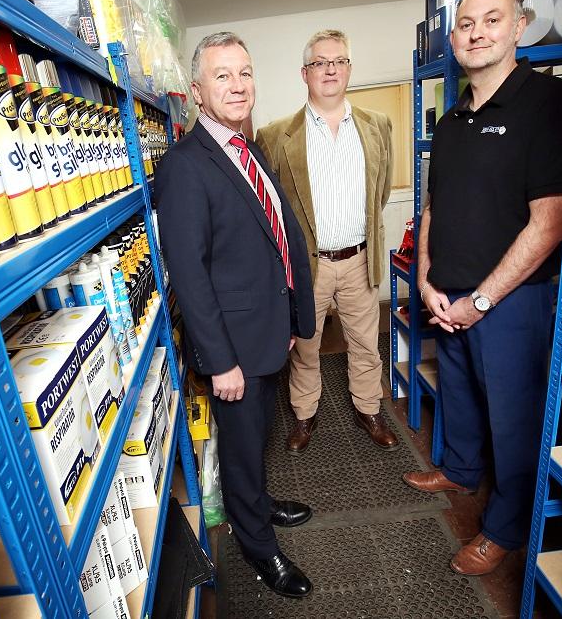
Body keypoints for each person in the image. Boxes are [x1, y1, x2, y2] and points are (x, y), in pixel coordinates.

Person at [401, 0, 562, 576]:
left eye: (492, 20)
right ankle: (461, 469)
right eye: (467, 24)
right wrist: (427, 280)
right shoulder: (451, 122)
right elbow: (431, 210)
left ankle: (504, 528)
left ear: (520, 26)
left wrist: (482, 298)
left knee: (515, 417)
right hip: (448, 293)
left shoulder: (546, 102)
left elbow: (549, 221)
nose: (477, 34)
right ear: (453, 39)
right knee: (463, 398)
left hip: (512, 302)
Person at [154, 32, 317, 598]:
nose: (238, 84)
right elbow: (191, 274)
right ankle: (259, 546)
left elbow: (275, 239)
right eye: (222, 75)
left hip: (267, 330)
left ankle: (258, 501)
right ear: (198, 92)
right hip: (234, 347)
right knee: (242, 442)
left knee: (257, 439)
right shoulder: (184, 166)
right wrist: (219, 361)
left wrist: (295, 318)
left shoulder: (249, 151)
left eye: (244, 72)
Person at [256, 29, 398, 455]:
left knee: (366, 343)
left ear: (349, 69)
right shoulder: (276, 135)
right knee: (305, 346)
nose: (330, 68)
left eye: (339, 61)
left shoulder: (378, 126)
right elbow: (273, 208)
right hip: (308, 266)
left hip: (359, 259)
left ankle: (369, 408)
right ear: (305, 73)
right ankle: (304, 415)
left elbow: (382, 192)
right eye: (320, 62)